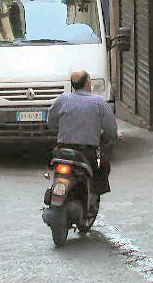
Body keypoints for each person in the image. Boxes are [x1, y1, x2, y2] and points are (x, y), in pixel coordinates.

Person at [48, 70, 118, 219]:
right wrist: (112, 137)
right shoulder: (99, 102)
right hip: (87, 153)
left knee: (54, 170)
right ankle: (92, 198)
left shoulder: (62, 100)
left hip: (62, 151)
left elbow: (51, 122)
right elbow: (111, 129)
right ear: (88, 84)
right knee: (102, 166)